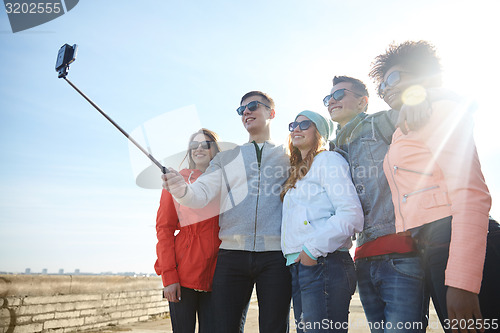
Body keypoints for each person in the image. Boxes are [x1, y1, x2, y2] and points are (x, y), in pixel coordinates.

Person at [370, 40, 499, 332]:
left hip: (456, 239)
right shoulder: (406, 123)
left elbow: (471, 193)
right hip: (431, 246)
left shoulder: (438, 109)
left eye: (394, 78)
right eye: (381, 86)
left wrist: (463, 281)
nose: (386, 88)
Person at [162, 91, 292, 333]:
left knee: (274, 328)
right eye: (241, 109)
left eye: (253, 106)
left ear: (271, 113)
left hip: (276, 256)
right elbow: (199, 195)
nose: (246, 112)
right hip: (232, 256)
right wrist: (181, 190)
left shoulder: (289, 156)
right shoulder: (227, 158)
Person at [327, 76, 426, 332]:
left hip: (400, 253)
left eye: (340, 95)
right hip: (362, 259)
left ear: (363, 102)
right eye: (328, 98)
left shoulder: (382, 122)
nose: (332, 101)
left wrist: (418, 99)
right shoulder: (333, 150)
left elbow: (427, 118)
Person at [281, 110, 363, 333]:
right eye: (293, 125)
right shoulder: (298, 173)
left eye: (305, 124)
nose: (296, 129)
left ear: (320, 132)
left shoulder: (328, 160)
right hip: (301, 266)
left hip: (324, 263)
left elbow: (351, 214)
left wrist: (311, 251)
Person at [154, 128, 222, 333]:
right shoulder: (177, 181)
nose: (199, 149)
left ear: (215, 150)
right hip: (183, 275)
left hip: (218, 275)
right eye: (194, 145)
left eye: (205, 145)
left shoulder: (224, 182)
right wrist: (169, 278)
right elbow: (164, 229)